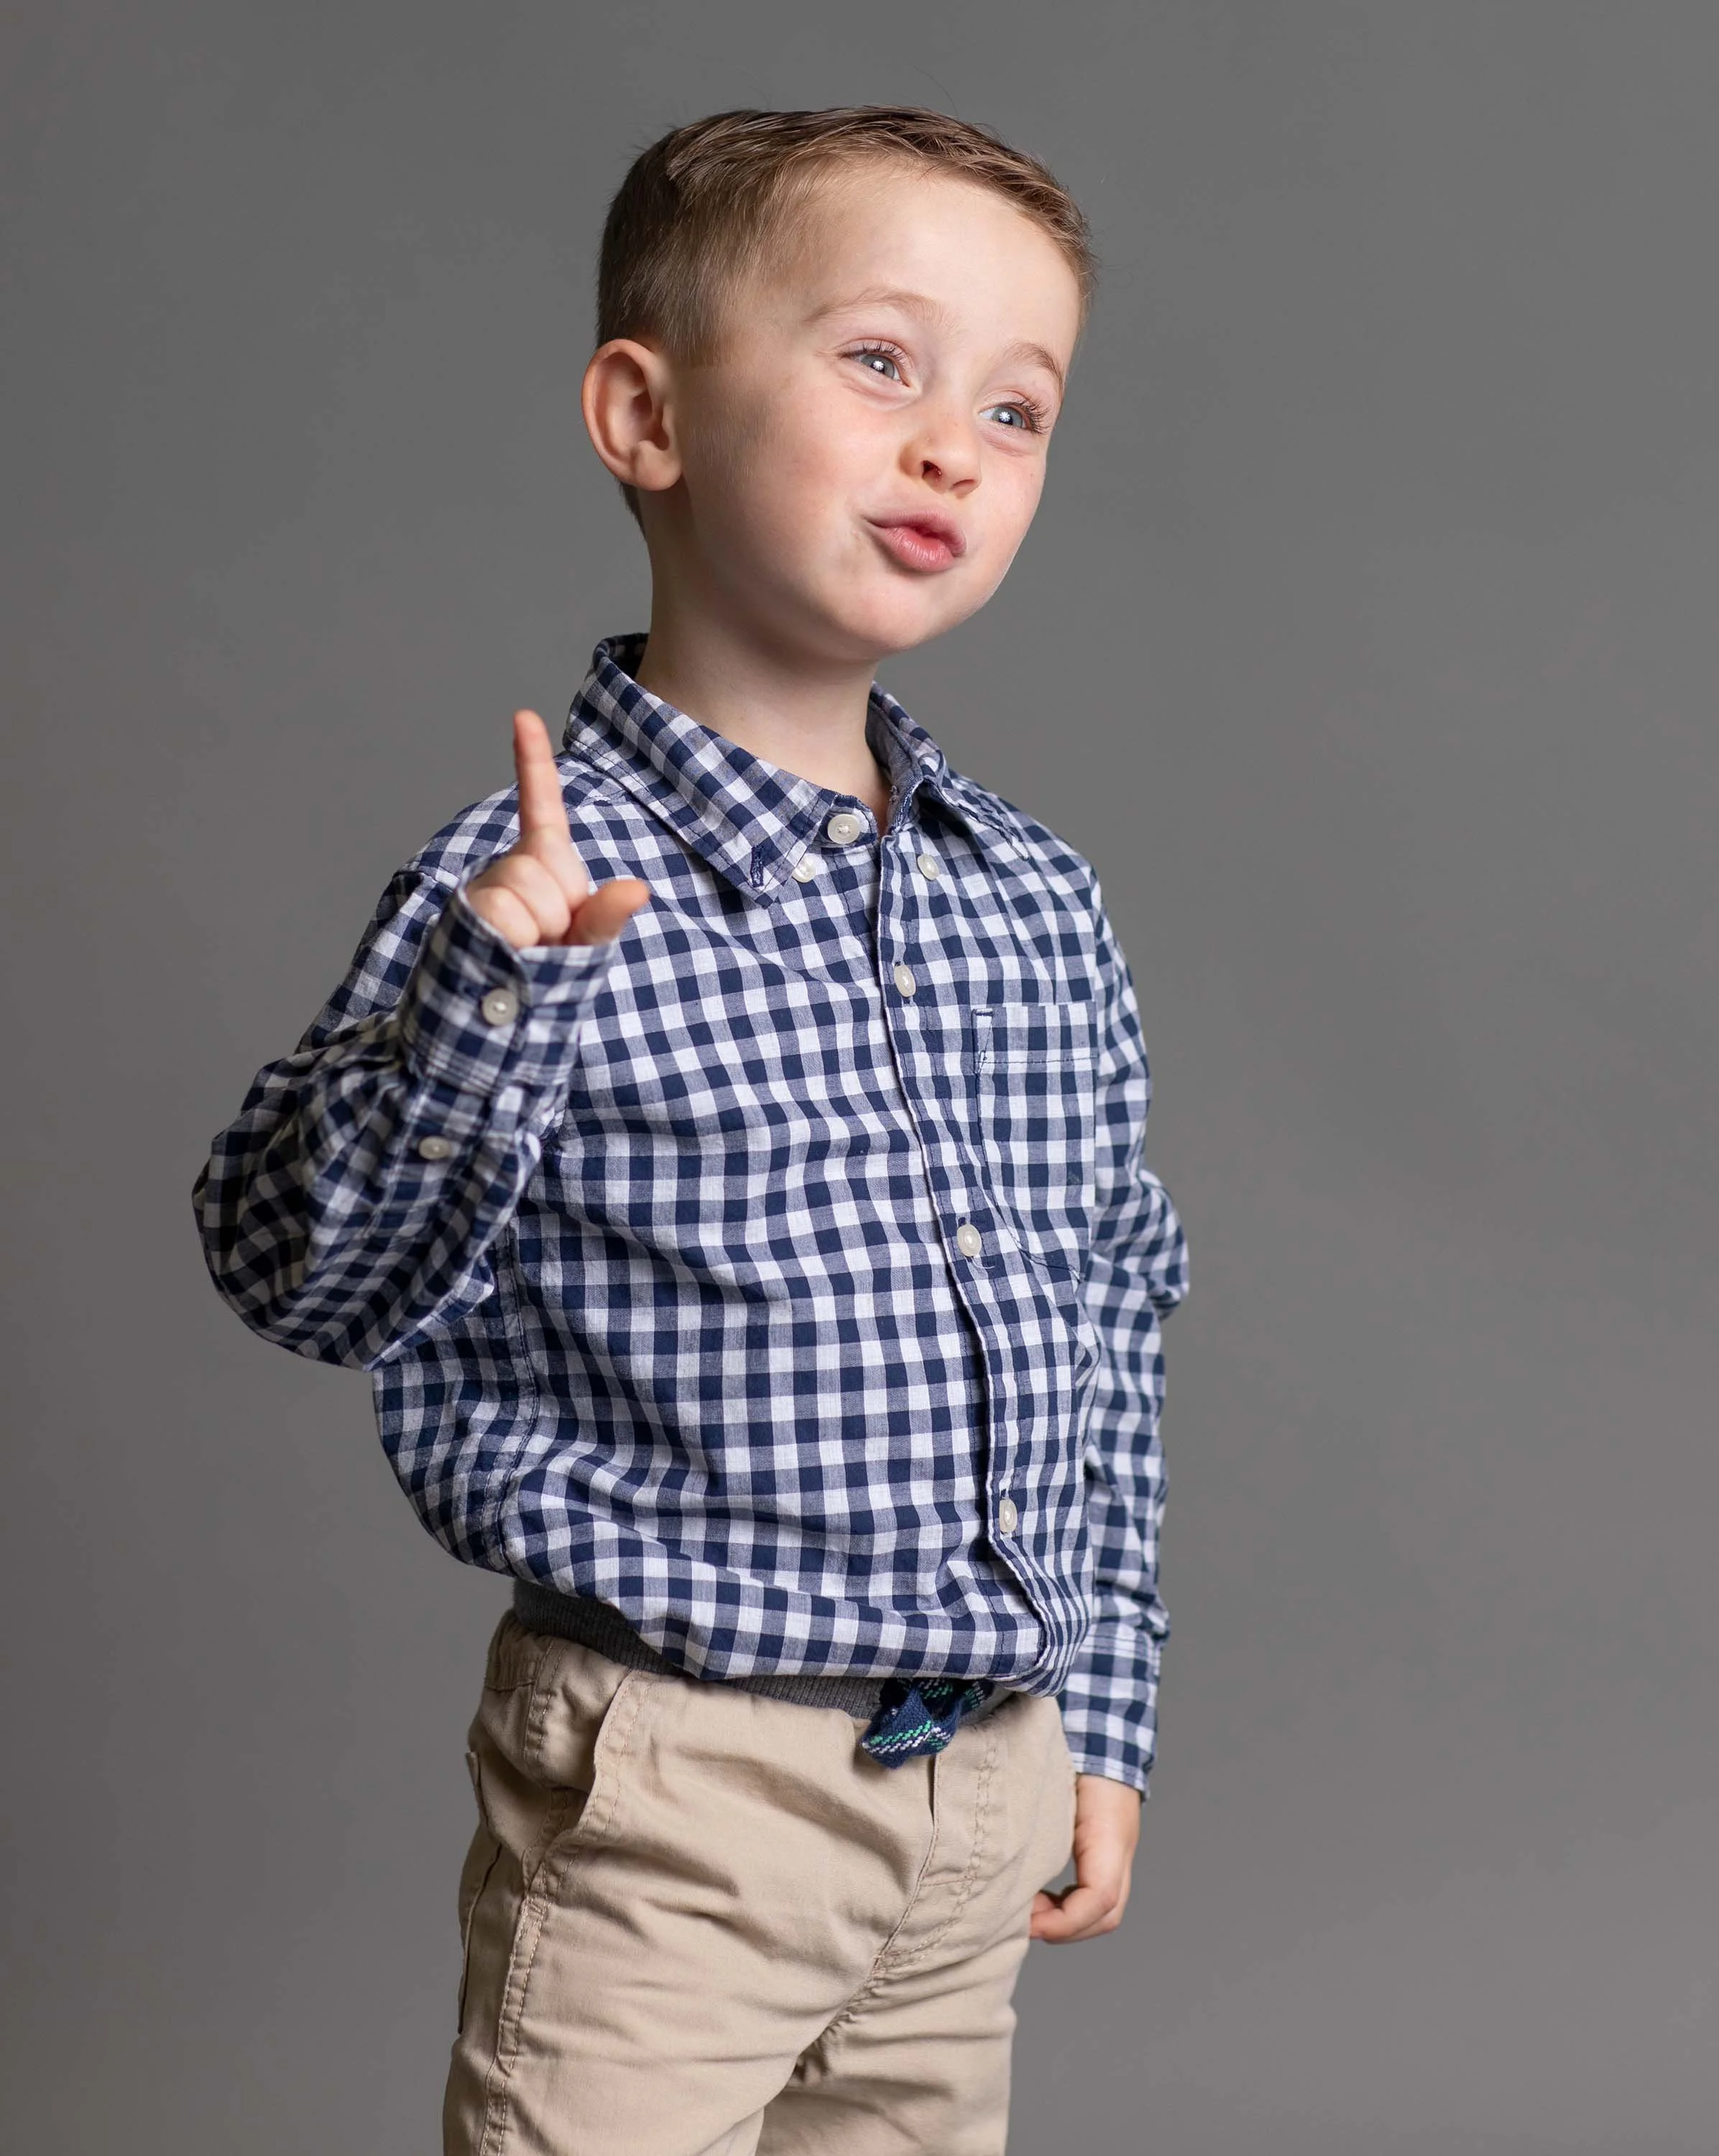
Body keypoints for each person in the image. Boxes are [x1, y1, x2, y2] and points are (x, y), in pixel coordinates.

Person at [193, 105, 1189, 2156]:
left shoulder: (1037, 901)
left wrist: (1101, 1704)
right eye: (883, 362)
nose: (955, 448)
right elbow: (295, 1275)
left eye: (1020, 408)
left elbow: (1111, 1323)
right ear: (647, 416)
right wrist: (498, 999)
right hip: (681, 1789)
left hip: (976, 1770)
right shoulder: (530, 893)